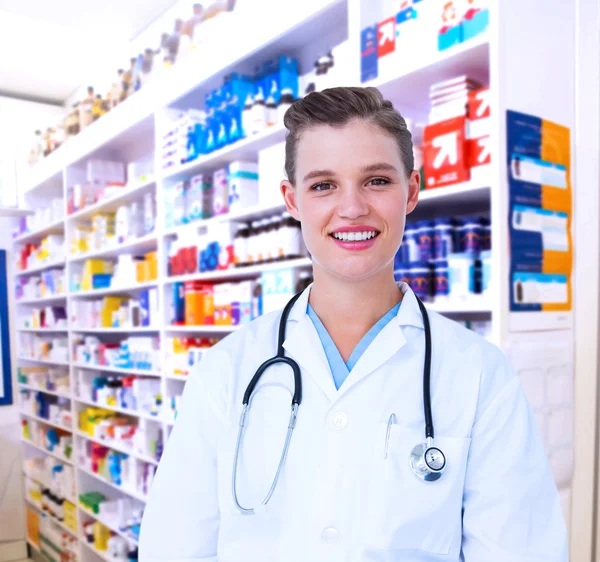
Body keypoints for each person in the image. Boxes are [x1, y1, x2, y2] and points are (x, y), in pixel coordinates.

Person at [139, 87, 567, 561]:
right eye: (323, 185)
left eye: (377, 181)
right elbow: (174, 546)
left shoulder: (481, 374)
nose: (353, 208)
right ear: (292, 200)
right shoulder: (226, 370)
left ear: (412, 191)